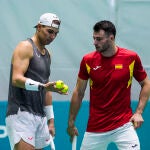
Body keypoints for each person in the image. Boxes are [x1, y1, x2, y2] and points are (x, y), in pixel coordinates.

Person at [67, 20, 150, 150]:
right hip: (95, 128)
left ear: (111, 38)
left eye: (99, 39)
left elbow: (146, 83)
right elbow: (78, 92)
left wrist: (139, 112)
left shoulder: (130, 58)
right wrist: (71, 122)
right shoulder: (88, 60)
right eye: (94, 38)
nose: (95, 42)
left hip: (124, 126)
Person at [6, 13, 64, 150]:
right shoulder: (25, 47)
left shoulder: (48, 54)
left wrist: (51, 121)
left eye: (56, 33)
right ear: (38, 27)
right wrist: (42, 86)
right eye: (49, 31)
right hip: (21, 113)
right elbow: (16, 79)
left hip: (40, 116)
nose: (52, 36)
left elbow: (47, 91)